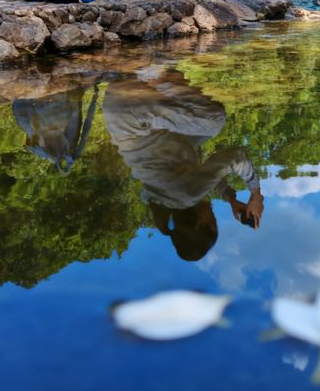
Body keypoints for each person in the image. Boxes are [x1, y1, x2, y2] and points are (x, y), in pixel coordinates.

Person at [102, 70, 264, 261]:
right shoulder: (165, 201)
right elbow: (207, 174)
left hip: (133, 112)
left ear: (198, 225)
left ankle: (157, 76)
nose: (213, 214)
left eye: (213, 221)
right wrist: (231, 199)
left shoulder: (186, 195)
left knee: (214, 120)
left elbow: (236, 157)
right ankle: (149, 78)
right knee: (203, 135)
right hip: (119, 110)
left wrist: (255, 193)